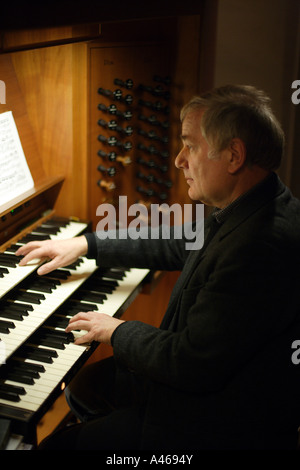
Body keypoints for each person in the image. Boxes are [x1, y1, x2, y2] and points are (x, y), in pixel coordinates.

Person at [17, 85, 300, 450]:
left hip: (216, 422)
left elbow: (190, 362)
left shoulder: (258, 247)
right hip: (213, 387)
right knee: (85, 386)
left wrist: (116, 330)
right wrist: (86, 243)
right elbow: (174, 242)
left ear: (233, 156)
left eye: (190, 146)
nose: (179, 160)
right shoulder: (259, 203)